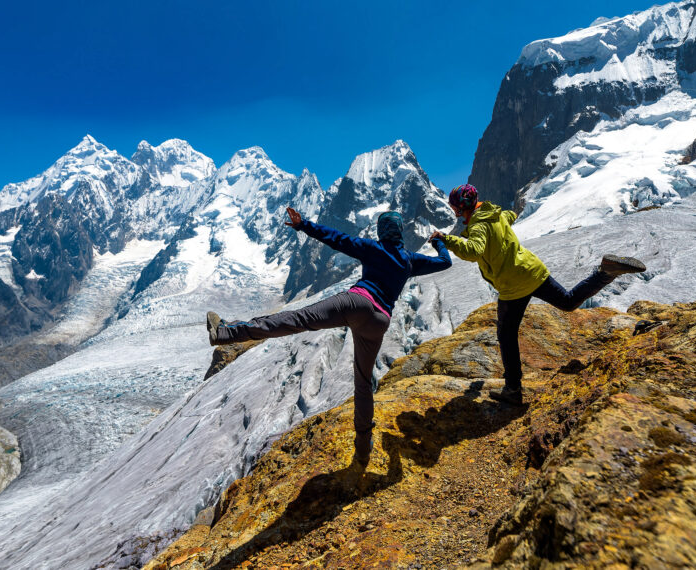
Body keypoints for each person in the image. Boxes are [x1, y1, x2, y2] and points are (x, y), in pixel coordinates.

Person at [207, 206, 453, 466]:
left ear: (382, 231)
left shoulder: (373, 248)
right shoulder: (411, 260)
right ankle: (362, 448)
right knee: (363, 383)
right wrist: (438, 242)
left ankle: (225, 333)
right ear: (400, 231)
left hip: (356, 302)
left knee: (298, 320)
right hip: (379, 321)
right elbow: (445, 262)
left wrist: (303, 225)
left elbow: (336, 238)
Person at [430, 184, 646, 406]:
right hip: (532, 270)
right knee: (568, 301)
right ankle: (605, 272)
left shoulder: (478, 224)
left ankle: (513, 389)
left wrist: (446, 240)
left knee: (506, 335)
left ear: (460, 207)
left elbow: (473, 250)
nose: (454, 211)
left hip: (513, 285)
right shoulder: (494, 213)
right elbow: (510, 216)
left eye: (454, 207)